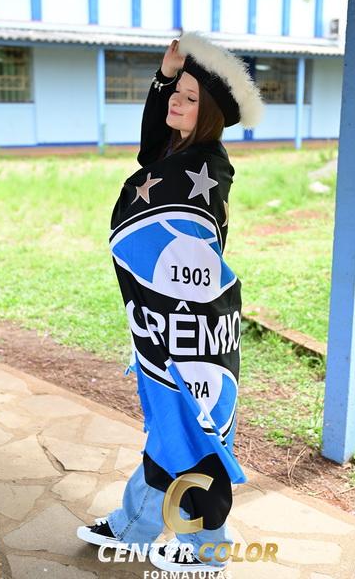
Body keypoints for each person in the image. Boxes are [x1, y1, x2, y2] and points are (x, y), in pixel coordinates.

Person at [77, 31, 264, 574]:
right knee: (170, 422)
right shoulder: (181, 154)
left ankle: (208, 547)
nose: (173, 104)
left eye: (187, 98)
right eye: (174, 94)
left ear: (210, 114)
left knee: (192, 427)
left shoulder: (206, 166)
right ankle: (136, 525)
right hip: (167, 314)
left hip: (194, 321)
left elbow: (182, 239)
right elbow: (150, 150)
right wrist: (164, 76)